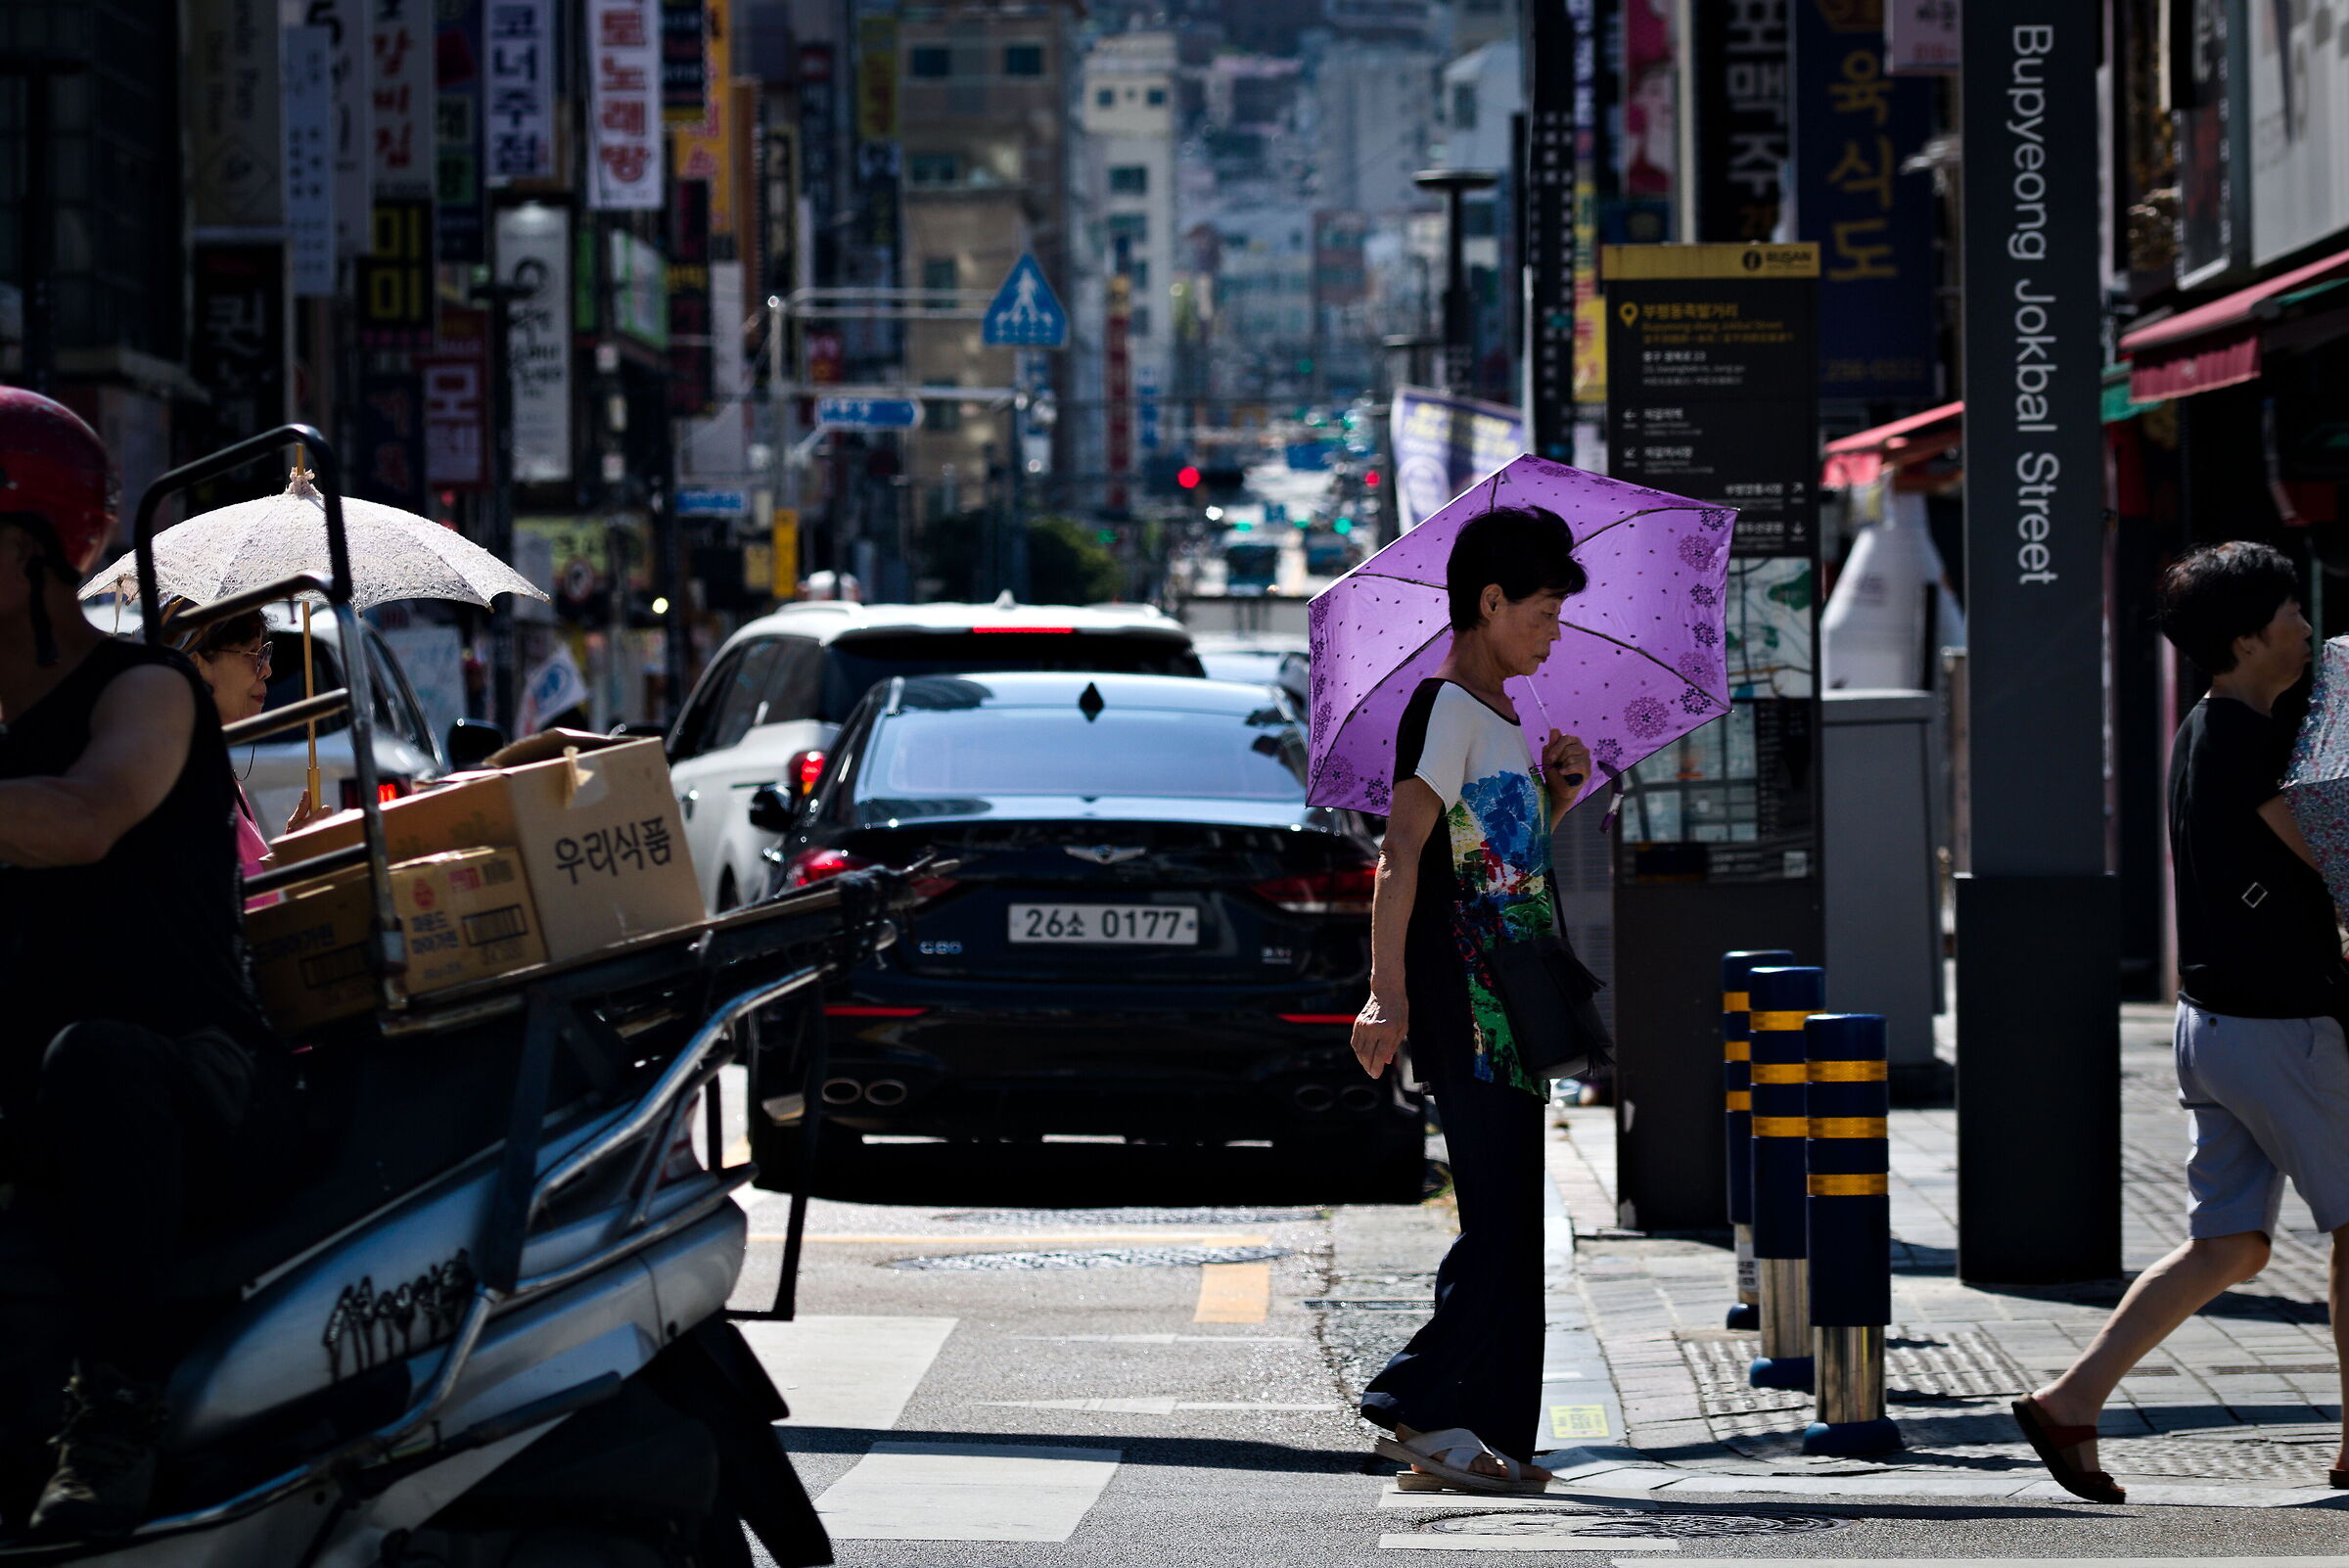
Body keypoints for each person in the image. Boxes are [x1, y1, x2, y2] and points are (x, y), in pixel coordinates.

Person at [0, 389, 291, 1538]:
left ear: (26, 557)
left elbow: (84, 815)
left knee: (98, 1059)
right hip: (51, 1118)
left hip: (199, 1091)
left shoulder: (149, 692)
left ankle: (115, 1415)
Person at [2015, 541, 2344, 1503]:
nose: (2306, 628)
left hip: (2216, 1027)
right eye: (2290, 613)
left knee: (2231, 1245)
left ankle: (2071, 1400)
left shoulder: (2206, 726)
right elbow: (2331, 856)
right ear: (2247, 638)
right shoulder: (2250, 740)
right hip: (2284, 1026)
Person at [1351, 504, 1591, 1494]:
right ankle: (1419, 1405)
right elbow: (1401, 852)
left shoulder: (1501, 713)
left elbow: (1499, 859)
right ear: (1488, 602)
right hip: (1469, 999)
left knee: (1515, 1217)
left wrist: (1557, 795)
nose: (1553, 630)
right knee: (1495, 1218)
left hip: (1518, 997)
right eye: (1541, 610)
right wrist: (1385, 996)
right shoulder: (1443, 707)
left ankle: (1488, 1433)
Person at [161, 602, 327, 883]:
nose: (267, 670)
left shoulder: (207, 760)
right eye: (255, 654)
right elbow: (208, 896)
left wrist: (290, 849)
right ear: (197, 664)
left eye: (266, 651)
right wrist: (285, 861)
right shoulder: (176, 771)